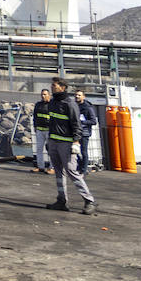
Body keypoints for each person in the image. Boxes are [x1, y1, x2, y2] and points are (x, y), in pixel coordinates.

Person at [45, 78, 96, 215]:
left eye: (54, 85)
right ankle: (62, 200)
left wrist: (76, 142)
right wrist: (48, 141)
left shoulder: (70, 103)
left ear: (62, 87)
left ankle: (89, 200)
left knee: (72, 171)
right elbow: (52, 123)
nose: (52, 87)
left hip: (66, 143)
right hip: (54, 142)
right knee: (59, 172)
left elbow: (76, 124)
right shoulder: (53, 102)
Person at [75, 89, 98, 173]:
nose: (77, 96)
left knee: (83, 151)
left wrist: (82, 122)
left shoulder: (88, 107)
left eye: (79, 95)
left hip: (84, 132)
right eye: (76, 95)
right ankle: (80, 166)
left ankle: (84, 169)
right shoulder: (74, 106)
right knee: (74, 150)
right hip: (75, 132)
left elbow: (93, 121)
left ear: (83, 97)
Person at [32, 88, 52, 173]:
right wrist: (35, 127)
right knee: (39, 149)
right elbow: (35, 117)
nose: (43, 96)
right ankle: (40, 166)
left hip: (49, 130)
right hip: (39, 130)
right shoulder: (38, 105)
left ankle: (52, 167)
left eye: (45, 94)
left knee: (51, 150)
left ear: (49, 95)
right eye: (42, 94)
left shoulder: (52, 105)